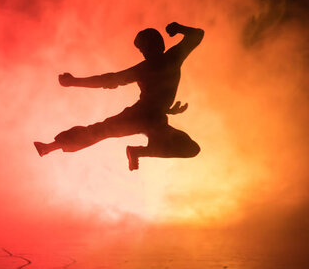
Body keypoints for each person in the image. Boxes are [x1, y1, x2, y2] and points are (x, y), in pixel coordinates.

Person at [34, 22, 204, 170]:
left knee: (190, 148)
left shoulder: (171, 58)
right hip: (141, 116)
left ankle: (138, 151)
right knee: (98, 131)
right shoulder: (167, 59)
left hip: (155, 120)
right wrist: (74, 81)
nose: (144, 53)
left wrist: (179, 28)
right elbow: (109, 80)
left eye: (144, 47)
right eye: (142, 49)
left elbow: (197, 35)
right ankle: (49, 147)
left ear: (158, 44)